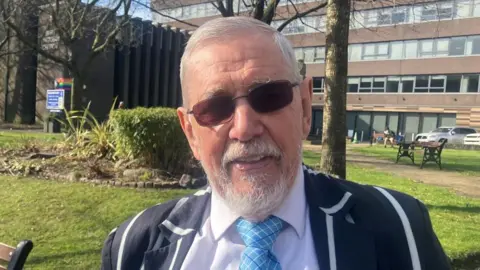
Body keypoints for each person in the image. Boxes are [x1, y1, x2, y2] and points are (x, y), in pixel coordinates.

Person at [101, 17, 451, 270]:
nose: (245, 128)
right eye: (215, 108)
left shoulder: (398, 227)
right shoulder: (133, 247)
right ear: (190, 131)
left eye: (269, 96)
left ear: (303, 107)